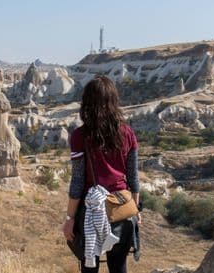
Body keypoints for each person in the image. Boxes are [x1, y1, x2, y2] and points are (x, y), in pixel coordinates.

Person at [62, 75, 141, 273]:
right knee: (119, 267)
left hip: (93, 213)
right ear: (113, 101)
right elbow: (133, 178)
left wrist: (70, 218)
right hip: (124, 209)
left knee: (89, 267)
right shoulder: (128, 133)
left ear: (87, 102)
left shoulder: (80, 136)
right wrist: (136, 209)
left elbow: (78, 181)